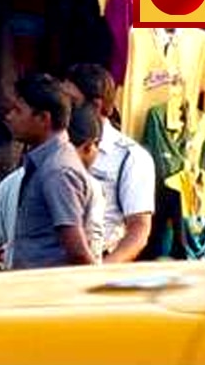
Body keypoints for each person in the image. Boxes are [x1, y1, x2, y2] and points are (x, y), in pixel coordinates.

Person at [0, 102, 105, 272]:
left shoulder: (13, 180)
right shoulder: (86, 184)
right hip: (60, 286)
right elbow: (90, 248)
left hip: (20, 280)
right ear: (89, 145)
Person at [5, 73, 102, 270]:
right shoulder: (48, 162)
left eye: (18, 110)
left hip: (46, 292)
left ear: (43, 118)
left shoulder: (57, 171)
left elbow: (78, 252)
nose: (9, 116)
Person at [64, 63, 155, 262]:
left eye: (71, 101)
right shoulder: (55, 144)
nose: (64, 107)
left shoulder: (130, 157)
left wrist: (103, 271)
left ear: (96, 106)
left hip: (99, 261)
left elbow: (139, 229)